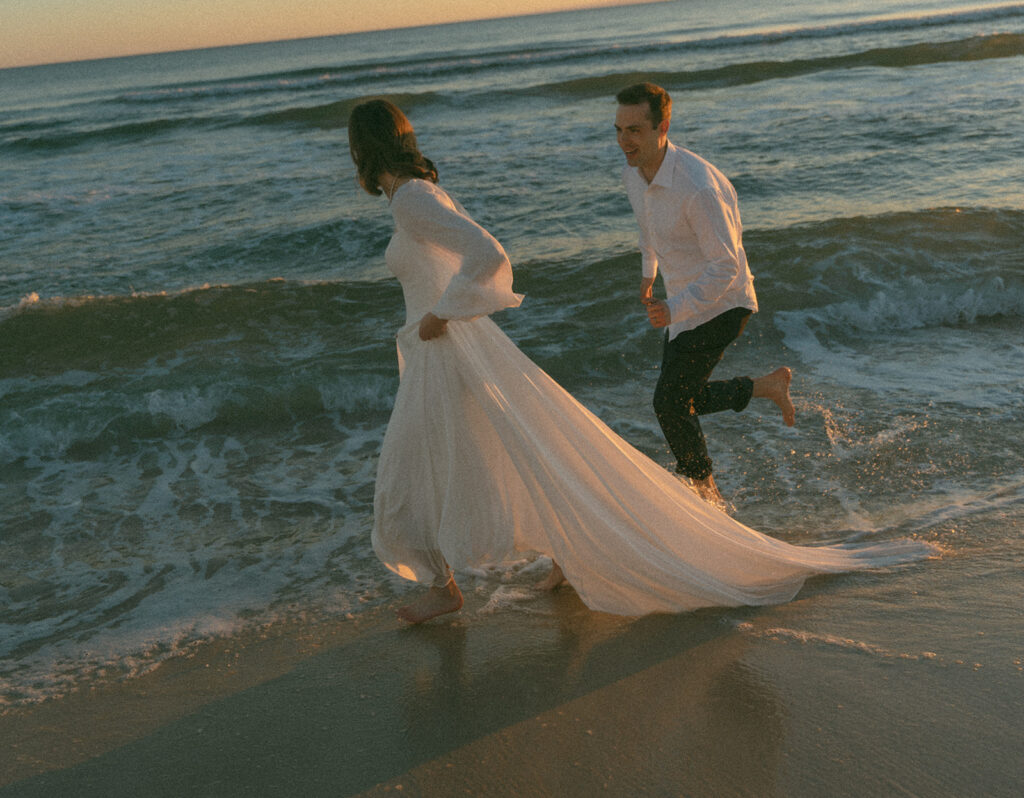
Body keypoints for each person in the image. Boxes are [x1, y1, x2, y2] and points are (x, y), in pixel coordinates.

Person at [348, 99, 933, 624]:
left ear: (363, 148)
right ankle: (556, 555)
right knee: (505, 450)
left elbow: (488, 254)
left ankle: (450, 585)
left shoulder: (414, 201)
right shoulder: (416, 197)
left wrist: (443, 313)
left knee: (411, 472)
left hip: (449, 345)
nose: (624, 139)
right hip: (445, 352)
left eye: (633, 128)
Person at [615, 82, 795, 508]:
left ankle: (708, 498)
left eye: (635, 130)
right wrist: (648, 275)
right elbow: (648, 229)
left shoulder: (697, 187)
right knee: (682, 400)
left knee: (669, 403)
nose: (624, 141)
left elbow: (726, 267)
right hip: (685, 303)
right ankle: (765, 387)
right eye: (619, 130)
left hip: (724, 304)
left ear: (664, 127)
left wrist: (673, 307)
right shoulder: (633, 173)